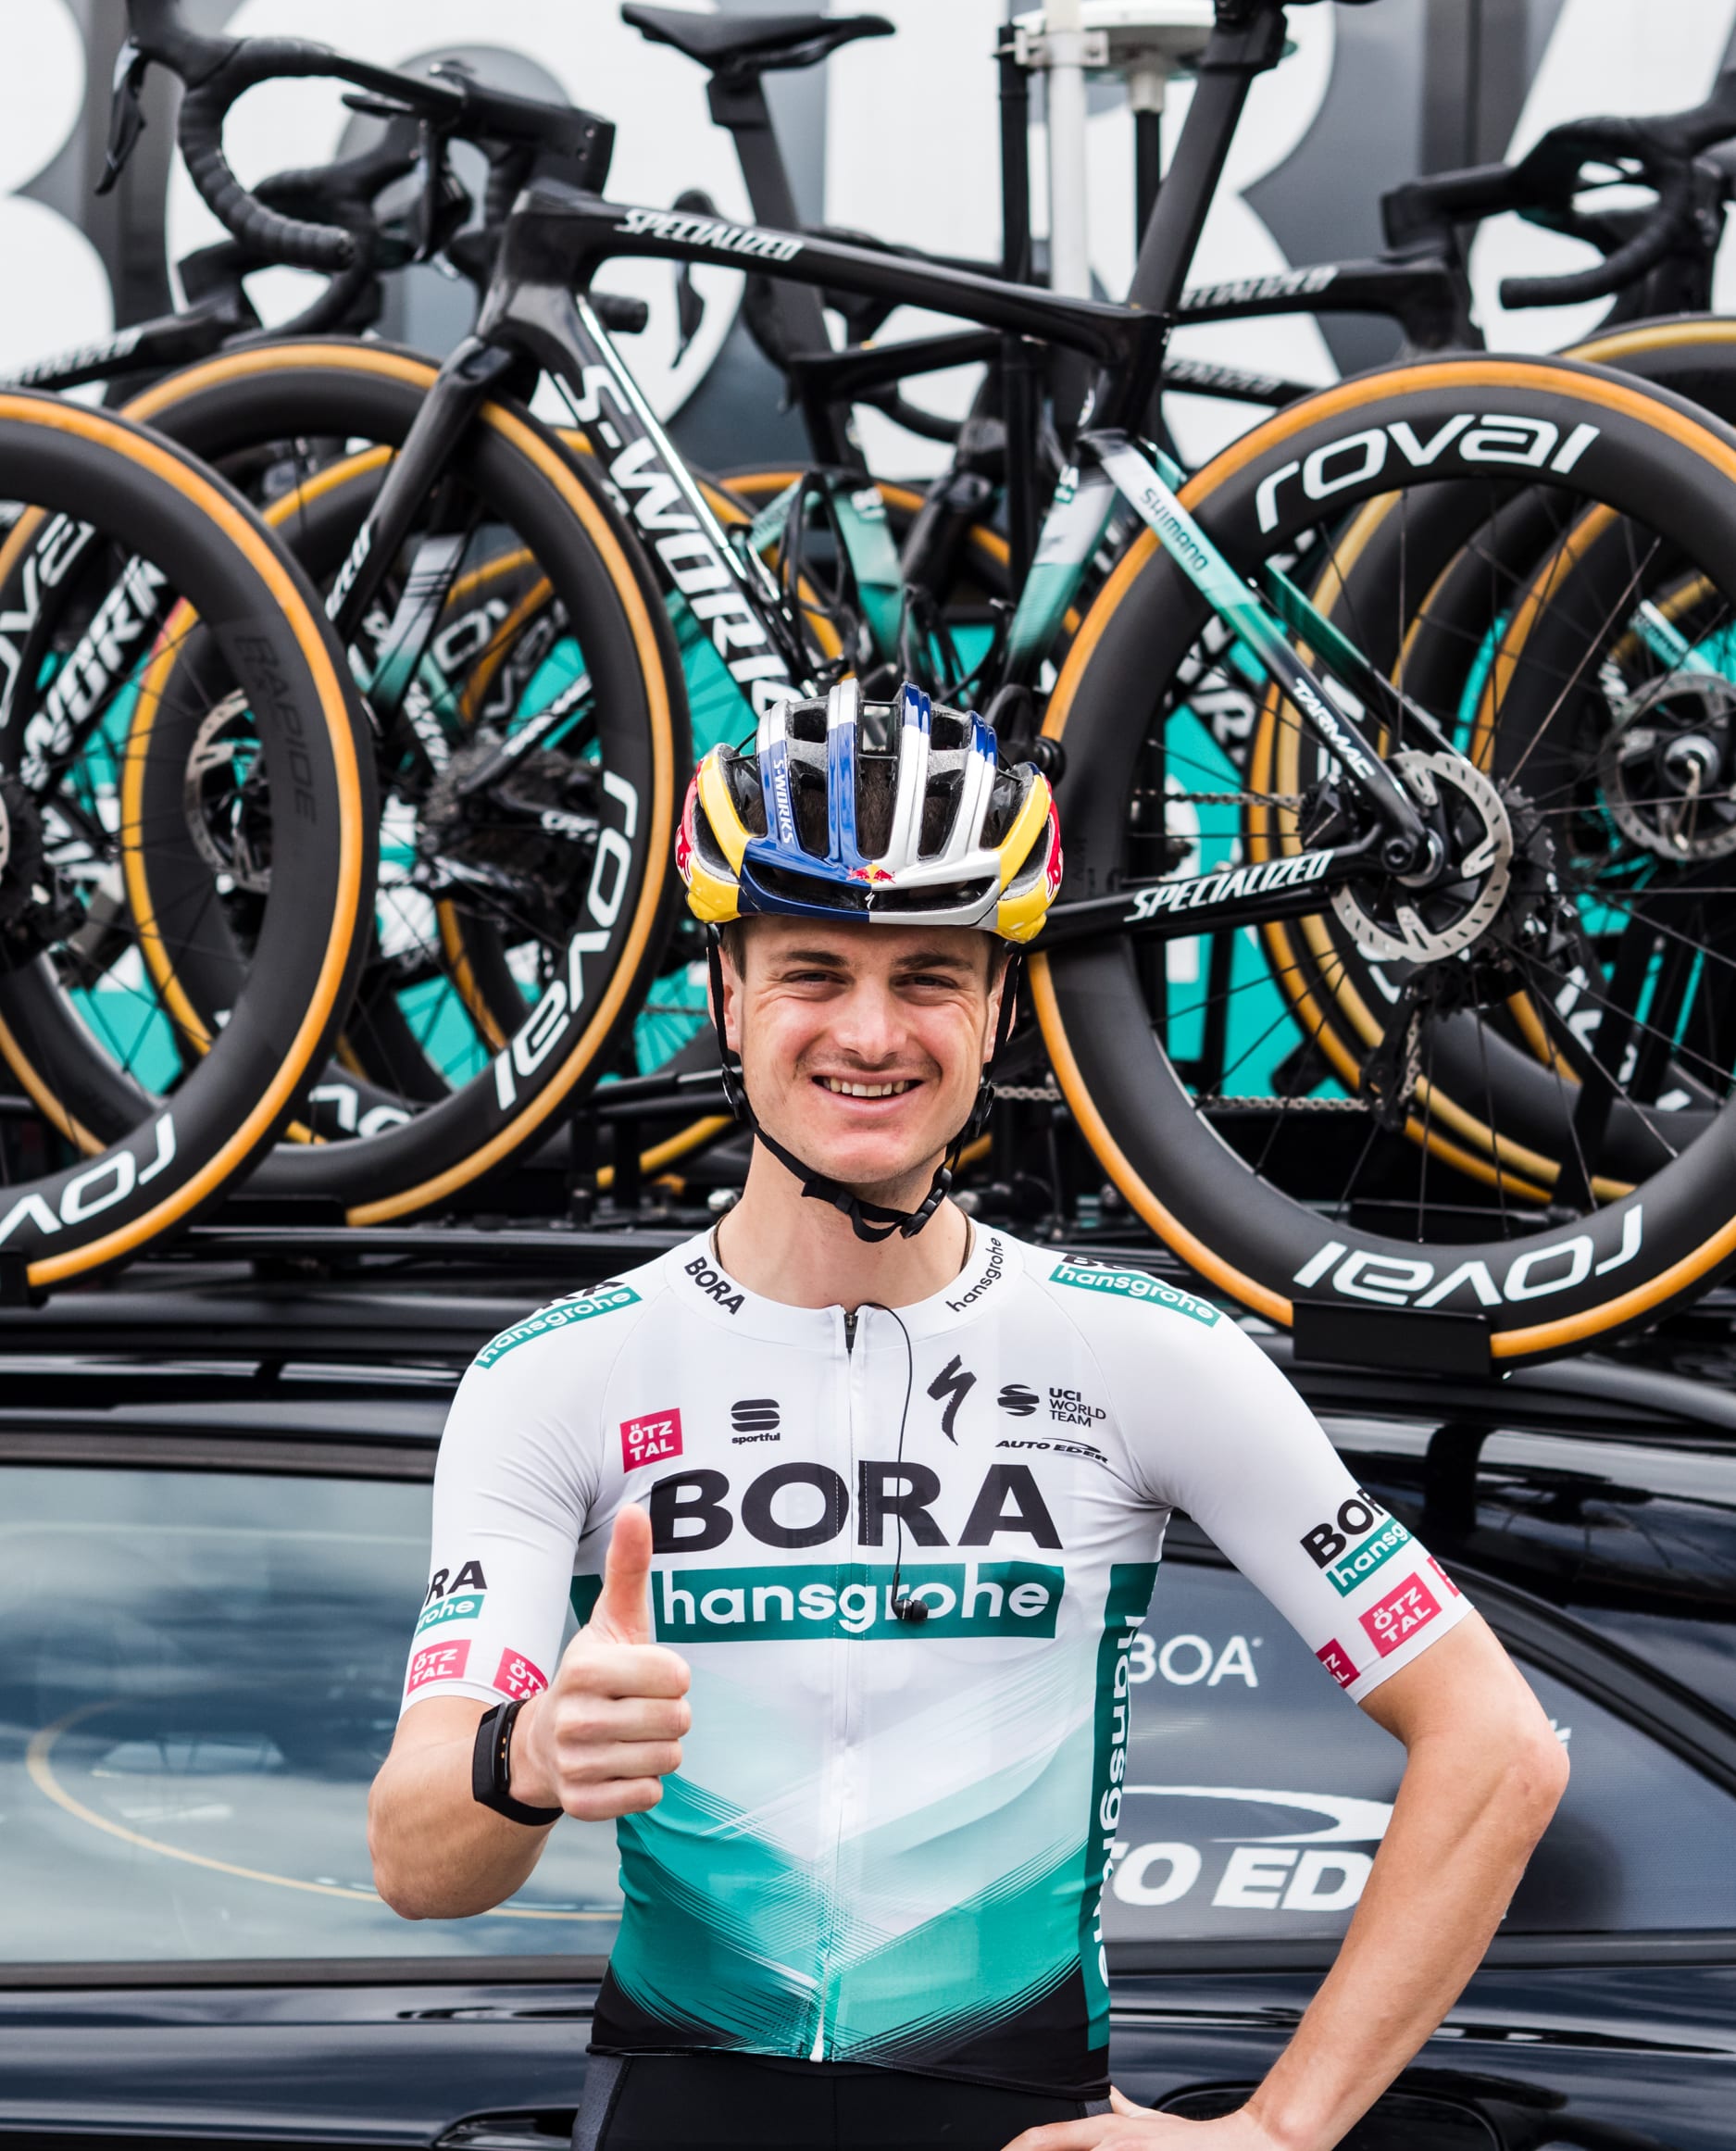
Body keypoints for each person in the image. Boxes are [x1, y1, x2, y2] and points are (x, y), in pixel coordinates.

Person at [369, 680, 1567, 2151]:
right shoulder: (553, 1374)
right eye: (814, 971)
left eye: (929, 976)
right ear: (728, 993)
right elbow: (418, 1862)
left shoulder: (1146, 1354)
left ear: (998, 1005)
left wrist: (1279, 2132)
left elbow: (1500, 1745)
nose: (872, 1033)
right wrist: (531, 1756)